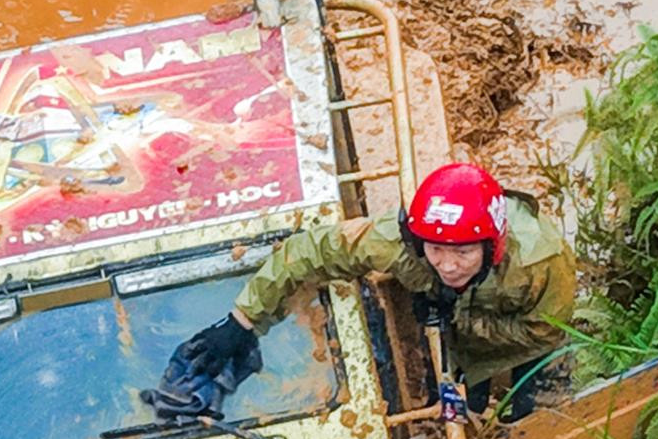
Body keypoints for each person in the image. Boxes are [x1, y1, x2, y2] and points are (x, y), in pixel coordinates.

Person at [144, 161, 577, 423]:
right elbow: (307, 253)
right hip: (451, 321)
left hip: (520, 338)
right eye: (436, 251)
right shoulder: (395, 243)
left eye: (463, 252)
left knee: (539, 421)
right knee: (454, 405)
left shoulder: (539, 261)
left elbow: (546, 331)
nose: (447, 265)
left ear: (491, 246)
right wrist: (241, 322)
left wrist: (458, 318)